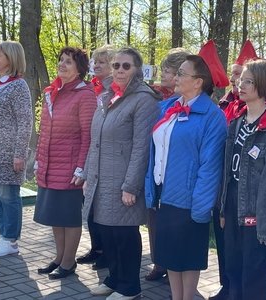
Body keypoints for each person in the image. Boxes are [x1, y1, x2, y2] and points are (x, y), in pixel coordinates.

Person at [145, 40, 228, 300]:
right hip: (165, 194)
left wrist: (200, 207)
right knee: (170, 255)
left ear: (198, 82)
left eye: (182, 73)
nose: (176, 77)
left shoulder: (212, 116)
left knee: (187, 258)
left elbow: (210, 165)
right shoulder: (169, 108)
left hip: (190, 200)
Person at [84, 47, 160, 300]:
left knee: (124, 233)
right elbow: (96, 139)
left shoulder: (144, 99)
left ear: (137, 69)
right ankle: (114, 278)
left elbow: (142, 146)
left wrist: (131, 185)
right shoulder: (109, 95)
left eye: (126, 66)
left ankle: (130, 287)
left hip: (124, 180)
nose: (119, 70)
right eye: (116, 65)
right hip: (101, 177)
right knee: (106, 231)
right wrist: (86, 174)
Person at [219, 59, 266, 300]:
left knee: (255, 278)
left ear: (263, 84)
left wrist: (265, 225)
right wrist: (222, 209)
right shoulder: (238, 121)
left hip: (256, 214)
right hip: (232, 207)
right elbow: (227, 171)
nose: (241, 85)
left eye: (248, 81)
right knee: (233, 271)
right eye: (241, 80)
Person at [33, 47, 96, 279]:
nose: (62, 64)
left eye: (68, 62)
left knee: (69, 218)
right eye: (60, 60)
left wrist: (82, 167)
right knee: (55, 216)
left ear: (80, 68)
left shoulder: (84, 94)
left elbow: (88, 135)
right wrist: (40, 161)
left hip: (70, 168)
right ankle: (59, 257)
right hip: (50, 165)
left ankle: (69, 262)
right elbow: (45, 132)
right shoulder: (53, 92)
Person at [210, 39, 259, 300]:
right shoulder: (225, 104)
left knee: (242, 249)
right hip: (223, 183)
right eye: (234, 75)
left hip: (244, 193)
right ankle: (226, 284)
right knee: (224, 240)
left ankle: (236, 289)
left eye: (241, 75)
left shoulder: (256, 112)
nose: (236, 80)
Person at [0, 41, 32, 257]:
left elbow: (26, 122)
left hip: (7, 153)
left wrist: (19, 153)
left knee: (8, 194)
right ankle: (2, 235)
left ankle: (11, 240)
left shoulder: (18, 86)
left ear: (11, 58)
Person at [145, 48, 191, 282]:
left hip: (177, 174)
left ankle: (172, 265)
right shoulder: (158, 97)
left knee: (172, 223)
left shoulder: (190, 103)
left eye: (168, 70)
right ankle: (158, 260)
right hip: (156, 169)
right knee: (154, 217)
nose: (163, 74)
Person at [76, 45, 116, 271]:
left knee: (101, 207)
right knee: (89, 205)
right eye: (95, 61)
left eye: (102, 61)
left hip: (104, 153)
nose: (97, 65)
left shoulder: (112, 90)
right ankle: (96, 247)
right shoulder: (91, 88)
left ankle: (106, 252)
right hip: (91, 150)